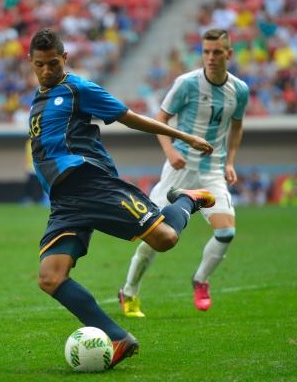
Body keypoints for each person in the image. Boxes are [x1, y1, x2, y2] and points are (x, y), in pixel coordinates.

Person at [28, 27, 216, 369]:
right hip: (64, 202)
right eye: (39, 64)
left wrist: (181, 136)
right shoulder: (38, 100)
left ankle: (186, 199)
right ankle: (117, 336)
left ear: (64, 59)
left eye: (52, 63)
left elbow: (130, 118)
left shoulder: (77, 88)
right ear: (30, 62)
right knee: (49, 277)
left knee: (165, 239)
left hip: (92, 184)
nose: (46, 71)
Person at [119, 29, 250, 317]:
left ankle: (200, 280)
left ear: (228, 54)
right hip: (179, 170)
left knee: (226, 232)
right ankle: (128, 291)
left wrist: (230, 162)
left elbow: (237, 125)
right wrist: (170, 151)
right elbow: (161, 119)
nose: (211, 57)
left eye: (217, 52)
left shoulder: (239, 90)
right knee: (153, 235)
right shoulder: (187, 84)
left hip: (212, 171)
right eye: (206, 52)